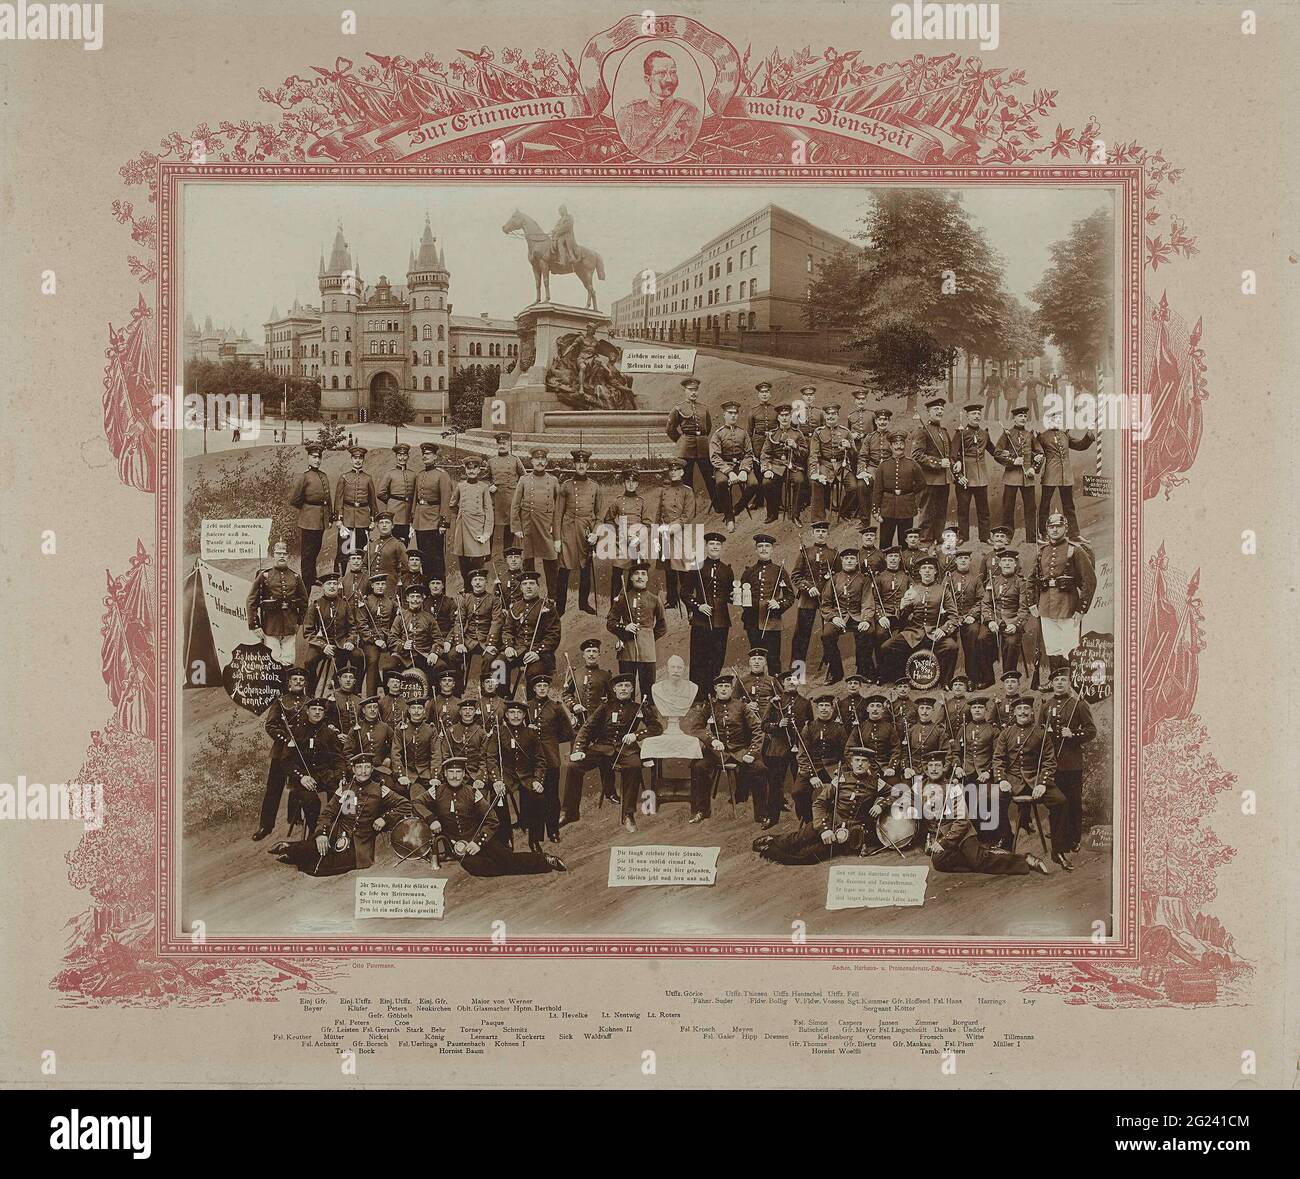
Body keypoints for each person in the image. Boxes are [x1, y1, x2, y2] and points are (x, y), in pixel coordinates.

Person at [409, 757, 566, 874]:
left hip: (482, 839)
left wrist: (477, 843)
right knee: (477, 868)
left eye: (458, 772)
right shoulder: (436, 791)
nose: (455, 776)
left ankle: (545, 860)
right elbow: (416, 803)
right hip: (458, 845)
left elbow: (492, 820)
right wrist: (431, 819)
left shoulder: (473, 792)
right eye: (451, 772)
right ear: (444, 773)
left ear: (464, 774)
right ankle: (525, 865)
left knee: (506, 859)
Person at [270, 751, 413, 876]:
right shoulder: (345, 789)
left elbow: (406, 805)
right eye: (359, 767)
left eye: (367, 767)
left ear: (371, 769)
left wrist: (384, 818)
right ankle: (289, 849)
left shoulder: (380, 789)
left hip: (360, 842)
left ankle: (295, 855)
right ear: (353, 769)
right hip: (339, 831)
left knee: (323, 867)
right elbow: (327, 814)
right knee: (317, 845)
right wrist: (322, 834)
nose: (363, 771)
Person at [753, 747, 887, 863]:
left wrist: (881, 804)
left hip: (849, 832)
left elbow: (900, 793)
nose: (860, 764)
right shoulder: (840, 779)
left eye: (864, 761)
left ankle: (770, 852)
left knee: (809, 854)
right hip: (829, 820)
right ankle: (772, 839)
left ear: (869, 764)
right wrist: (824, 829)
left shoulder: (876, 782)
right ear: (851, 762)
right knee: (799, 839)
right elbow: (820, 803)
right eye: (857, 760)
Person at [570, 673, 662, 834]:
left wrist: (636, 735)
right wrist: (579, 749)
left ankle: (628, 814)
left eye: (627, 686)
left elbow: (656, 727)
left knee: (634, 766)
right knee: (573, 766)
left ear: (632, 689)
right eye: (620, 686)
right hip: (602, 748)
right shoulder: (605, 707)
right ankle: (569, 811)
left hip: (626, 750)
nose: (624, 689)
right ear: (614, 689)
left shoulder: (638, 708)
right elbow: (587, 728)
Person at [924, 760, 1049, 876]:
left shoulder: (953, 788)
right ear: (926, 768)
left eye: (937, 765)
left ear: (944, 767)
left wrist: (944, 842)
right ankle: (983, 857)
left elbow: (962, 821)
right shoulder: (922, 787)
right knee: (938, 861)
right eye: (931, 766)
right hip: (945, 836)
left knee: (978, 861)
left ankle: (1024, 859)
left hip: (962, 834)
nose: (934, 769)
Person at [992, 694, 1066, 868]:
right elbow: (998, 759)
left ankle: (1059, 848)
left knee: (1061, 801)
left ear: (1031, 712)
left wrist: (1042, 783)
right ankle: (1006, 839)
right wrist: (1002, 779)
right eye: (1019, 709)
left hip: (1035, 781)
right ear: (1014, 712)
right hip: (1013, 781)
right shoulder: (1006, 733)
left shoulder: (1041, 733)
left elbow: (1049, 760)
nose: (1023, 712)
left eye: (1026, 709)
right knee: (993, 800)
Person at [1028, 512, 1097, 680]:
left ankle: (1071, 683)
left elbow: (1090, 580)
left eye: (1058, 526)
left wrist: (1082, 609)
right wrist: (1031, 603)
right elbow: (1031, 579)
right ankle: (1056, 683)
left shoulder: (1075, 550)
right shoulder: (1042, 551)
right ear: (1047, 530)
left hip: (1068, 605)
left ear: (1065, 528)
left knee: (1070, 648)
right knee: (1052, 647)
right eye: (1051, 527)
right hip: (1045, 606)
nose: (1054, 530)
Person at [1038, 665, 1096, 855]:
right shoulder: (1046, 706)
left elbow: (1091, 731)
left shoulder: (1077, 704)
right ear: (1052, 684)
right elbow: (1038, 732)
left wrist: (1073, 734)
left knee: (1073, 802)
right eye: (1056, 680)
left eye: (1063, 680)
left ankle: (1074, 839)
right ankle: (1059, 838)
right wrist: (1044, 734)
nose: (1059, 683)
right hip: (1051, 764)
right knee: (1056, 803)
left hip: (1071, 763)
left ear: (1068, 683)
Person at [878, 555, 959, 687]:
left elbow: (954, 616)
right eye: (924, 568)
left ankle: (945, 682)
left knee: (952, 647)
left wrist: (943, 630)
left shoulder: (943, 591)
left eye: (930, 568)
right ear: (920, 572)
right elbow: (902, 618)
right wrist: (902, 607)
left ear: (935, 572)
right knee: (887, 647)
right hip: (913, 632)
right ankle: (900, 679)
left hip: (934, 633)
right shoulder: (913, 590)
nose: (927, 571)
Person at [698, 675, 766, 825]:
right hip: (717, 752)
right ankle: (702, 810)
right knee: (699, 767)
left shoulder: (741, 706)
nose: (724, 689)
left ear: (731, 689)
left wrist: (751, 752)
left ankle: (761, 814)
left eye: (727, 686)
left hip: (740, 750)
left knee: (759, 768)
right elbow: (696, 727)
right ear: (715, 689)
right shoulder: (709, 706)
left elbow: (758, 729)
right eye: (720, 686)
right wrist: (712, 740)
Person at [616, 48, 703, 162]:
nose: (669, 79)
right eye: (661, 73)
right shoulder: (627, 114)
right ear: (647, 80)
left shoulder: (692, 113)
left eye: (673, 72)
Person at [492, 568, 561, 695]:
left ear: (538, 586)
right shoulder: (515, 607)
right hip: (517, 650)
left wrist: (537, 652)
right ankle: (503, 698)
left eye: (532, 583)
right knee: (499, 664)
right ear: (521, 588)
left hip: (539, 653)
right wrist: (508, 646)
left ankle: (531, 705)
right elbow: (507, 630)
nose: (528, 587)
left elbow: (553, 635)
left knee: (534, 672)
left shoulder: (547, 607)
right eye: (525, 584)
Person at [606, 560, 667, 699]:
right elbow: (610, 622)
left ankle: (648, 718)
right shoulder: (623, 598)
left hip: (648, 652)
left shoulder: (654, 599)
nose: (640, 576)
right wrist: (624, 628)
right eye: (636, 574)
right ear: (631, 577)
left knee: (648, 691)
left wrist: (649, 637)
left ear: (647, 577)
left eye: (643, 574)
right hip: (627, 650)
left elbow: (662, 626)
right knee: (627, 690)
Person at [525, 675, 574, 846]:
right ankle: (535, 837)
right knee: (535, 798)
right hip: (532, 761)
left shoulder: (556, 707)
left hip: (551, 758)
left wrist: (551, 740)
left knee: (552, 797)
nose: (542, 688)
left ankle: (553, 830)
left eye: (545, 686)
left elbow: (568, 732)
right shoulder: (527, 707)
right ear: (534, 688)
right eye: (539, 686)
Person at [681, 530, 733, 690]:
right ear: (706, 546)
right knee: (699, 660)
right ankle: (698, 696)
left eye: (718, 544)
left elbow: (730, 594)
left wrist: (736, 596)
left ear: (721, 547)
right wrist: (698, 606)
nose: (715, 547)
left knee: (717, 659)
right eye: (712, 544)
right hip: (701, 622)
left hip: (721, 622)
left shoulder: (727, 570)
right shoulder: (697, 567)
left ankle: (714, 693)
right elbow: (684, 593)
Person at [510, 446, 563, 598]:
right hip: (529, 526)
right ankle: (530, 596)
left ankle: (552, 597)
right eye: (537, 459)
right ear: (531, 461)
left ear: (546, 462)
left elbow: (557, 509)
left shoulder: (553, 481)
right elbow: (515, 505)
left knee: (551, 561)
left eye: (543, 459)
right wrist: (516, 527)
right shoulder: (524, 480)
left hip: (546, 527)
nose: (540, 462)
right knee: (528, 562)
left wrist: (556, 533)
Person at [247, 540, 308, 666]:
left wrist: (299, 622)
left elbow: (304, 601)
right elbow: (251, 601)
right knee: (272, 659)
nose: (281, 556)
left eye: (284, 553)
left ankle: (286, 685)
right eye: (278, 553)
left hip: (290, 624)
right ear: (273, 555)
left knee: (288, 659)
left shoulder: (295, 577)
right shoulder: (264, 576)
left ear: (288, 556)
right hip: (270, 625)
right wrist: (254, 624)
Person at [1035, 414, 1096, 540]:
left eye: (1059, 419)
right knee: (1045, 505)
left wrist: (1089, 432)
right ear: (1048, 421)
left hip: (1066, 476)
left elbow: (1080, 446)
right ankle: (1043, 533)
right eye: (1054, 419)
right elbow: (1036, 453)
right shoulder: (1042, 437)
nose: (1057, 421)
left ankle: (1074, 534)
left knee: (1069, 505)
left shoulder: (1065, 435)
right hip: (1050, 475)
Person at [790, 695, 848, 826]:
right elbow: (803, 754)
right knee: (798, 792)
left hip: (832, 768)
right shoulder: (809, 727)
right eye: (821, 706)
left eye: (827, 705)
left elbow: (845, 754)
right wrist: (811, 776)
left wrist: (840, 773)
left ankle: (834, 821)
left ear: (832, 709)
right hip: (812, 767)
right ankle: (810, 820)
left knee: (841, 792)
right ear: (817, 709)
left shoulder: (839, 728)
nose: (824, 709)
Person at [556, 448, 601, 614]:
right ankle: (560, 608)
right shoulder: (566, 486)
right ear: (574, 464)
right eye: (578, 462)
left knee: (585, 569)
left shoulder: (595, 487)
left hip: (586, 531)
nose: (581, 465)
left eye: (584, 463)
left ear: (588, 465)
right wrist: (557, 539)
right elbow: (558, 514)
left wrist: (595, 533)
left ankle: (583, 604)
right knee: (564, 569)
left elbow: (598, 515)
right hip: (568, 530)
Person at [739, 533, 794, 669]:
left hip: (772, 621)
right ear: (756, 550)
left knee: (773, 658)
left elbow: (790, 597)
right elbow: (740, 596)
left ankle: (774, 687)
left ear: (772, 549)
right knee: (756, 658)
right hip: (752, 621)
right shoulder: (748, 572)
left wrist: (779, 604)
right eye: (760, 546)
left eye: (767, 546)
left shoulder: (779, 571)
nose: (764, 549)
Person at [791, 522, 838, 674]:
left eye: (824, 531)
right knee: (801, 636)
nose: (821, 534)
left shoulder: (834, 554)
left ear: (828, 534)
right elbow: (796, 576)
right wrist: (808, 587)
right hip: (807, 599)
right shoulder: (805, 552)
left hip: (827, 600)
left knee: (829, 634)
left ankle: (831, 672)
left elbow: (839, 578)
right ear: (813, 534)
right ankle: (797, 673)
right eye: (818, 531)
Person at [303, 571, 363, 688]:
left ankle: (355, 691)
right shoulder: (315, 605)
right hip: (321, 644)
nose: (332, 586)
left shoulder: (344, 604)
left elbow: (353, 628)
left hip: (341, 643)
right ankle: (311, 690)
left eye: (334, 583)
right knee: (309, 661)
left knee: (358, 656)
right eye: (329, 584)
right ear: (323, 587)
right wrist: (323, 646)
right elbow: (308, 631)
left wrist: (350, 641)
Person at [287, 442, 332, 594]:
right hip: (308, 519)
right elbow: (295, 499)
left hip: (321, 519)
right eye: (314, 457)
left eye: (319, 457)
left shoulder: (323, 476)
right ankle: (306, 583)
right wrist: (307, 510)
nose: (317, 460)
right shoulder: (305, 477)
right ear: (308, 458)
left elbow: (328, 498)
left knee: (316, 549)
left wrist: (330, 516)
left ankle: (312, 577)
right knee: (307, 552)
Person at [601, 469, 651, 602]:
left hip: (637, 543)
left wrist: (638, 538)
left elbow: (648, 524)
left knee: (634, 576)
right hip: (621, 543)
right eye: (628, 481)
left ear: (637, 484)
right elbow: (608, 519)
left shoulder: (642, 502)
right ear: (624, 482)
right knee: (617, 575)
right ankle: (614, 608)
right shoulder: (618, 501)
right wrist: (619, 532)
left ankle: (630, 606)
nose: (630, 484)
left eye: (633, 481)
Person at [951, 402, 998, 542]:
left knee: (984, 510)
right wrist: (958, 476)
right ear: (967, 416)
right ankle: (963, 537)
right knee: (963, 510)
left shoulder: (984, 434)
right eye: (973, 414)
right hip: (965, 477)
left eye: (978, 414)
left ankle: (985, 537)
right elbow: (952, 457)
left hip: (981, 477)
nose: (976, 416)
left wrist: (1010, 458)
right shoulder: (960, 433)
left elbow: (995, 451)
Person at [872, 431, 927, 548]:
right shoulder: (883, 466)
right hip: (887, 508)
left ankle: (904, 565)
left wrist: (910, 494)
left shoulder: (912, 464)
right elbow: (877, 489)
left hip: (906, 508)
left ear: (905, 445)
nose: (899, 446)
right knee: (885, 543)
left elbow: (922, 483)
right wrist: (875, 510)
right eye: (895, 444)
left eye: (901, 443)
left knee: (905, 542)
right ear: (891, 446)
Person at [654, 458, 696, 609]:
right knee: (668, 568)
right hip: (665, 533)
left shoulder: (687, 491)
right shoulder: (664, 491)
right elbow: (659, 513)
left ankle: (687, 600)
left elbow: (688, 514)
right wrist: (658, 529)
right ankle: (672, 600)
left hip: (680, 534)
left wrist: (675, 526)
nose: (673, 473)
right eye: (671, 471)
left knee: (682, 568)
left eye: (676, 470)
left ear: (682, 472)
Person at [995, 406, 1041, 541]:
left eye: (1025, 416)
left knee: (1031, 508)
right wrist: (1013, 461)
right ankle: (1007, 535)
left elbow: (1040, 453)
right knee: (1008, 508)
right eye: (1020, 416)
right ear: (1014, 418)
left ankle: (1032, 537)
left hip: (1028, 477)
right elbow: (997, 453)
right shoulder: (1007, 434)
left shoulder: (1030, 435)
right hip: (1011, 477)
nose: (1023, 418)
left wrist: (1033, 468)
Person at [447, 453, 493, 589]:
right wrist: (461, 515)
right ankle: (467, 592)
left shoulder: (484, 487)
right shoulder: (461, 486)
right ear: (465, 469)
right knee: (464, 565)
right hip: (463, 530)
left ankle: (478, 594)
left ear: (479, 470)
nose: (471, 471)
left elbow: (489, 512)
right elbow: (452, 504)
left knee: (478, 566)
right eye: (469, 468)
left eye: (475, 468)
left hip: (478, 530)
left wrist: (486, 533)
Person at [666, 377, 714, 508]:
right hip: (686, 449)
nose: (694, 393)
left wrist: (701, 438)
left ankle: (718, 505)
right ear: (685, 391)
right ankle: (689, 507)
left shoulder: (703, 408)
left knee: (710, 476)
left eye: (696, 390)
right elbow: (670, 429)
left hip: (703, 447)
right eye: (690, 390)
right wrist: (682, 440)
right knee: (687, 480)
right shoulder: (678, 408)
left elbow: (708, 427)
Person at [709, 400, 757, 530]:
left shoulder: (743, 433)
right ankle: (729, 517)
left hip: (741, 464)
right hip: (723, 465)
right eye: (730, 413)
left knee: (753, 483)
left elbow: (749, 454)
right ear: (724, 415)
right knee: (721, 483)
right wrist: (729, 471)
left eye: (735, 413)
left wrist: (743, 470)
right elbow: (715, 457)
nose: (733, 416)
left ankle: (737, 508)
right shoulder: (718, 434)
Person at [412, 441, 454, 584]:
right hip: (420, 521)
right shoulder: (420, 474)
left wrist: (443, 522)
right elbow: (415, 498)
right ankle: (427, 590)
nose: (425, 456)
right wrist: (413, 518)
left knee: (436, 559)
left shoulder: (442, 475)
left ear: (435, 456)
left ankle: (439, 591)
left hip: (435, 521)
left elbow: (446, 499)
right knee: (424, 557)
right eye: (423, 453)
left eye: (428, 454)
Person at [758, 403, 805, 524]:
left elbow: (805, 453)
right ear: (778, 418)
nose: (784, 418)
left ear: (790, 417)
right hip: (776, 466)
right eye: (782, 415)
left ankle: (795, 514)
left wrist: (795, 446)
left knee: (800, 481)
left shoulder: (797, 434)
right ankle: (772, 513)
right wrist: (767, 469)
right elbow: (765, 454)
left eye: (787, 415)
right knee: (766, 482)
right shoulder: (772, 435)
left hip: (793, 466)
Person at [808, 403, 855, 520]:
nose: (831, 416)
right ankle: (818, 518)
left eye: (833, 414)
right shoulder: (818, 432)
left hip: (842, 465)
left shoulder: (846, 432)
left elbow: (855, 455)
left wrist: (849, 447)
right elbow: (813, 454)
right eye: (828, 414)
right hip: (825, 465)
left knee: (854, 487)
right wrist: (814, 472)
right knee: (816, 483)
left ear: (838, 416)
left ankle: (844, 512)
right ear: (824, 416)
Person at [334, 445, 377, 572]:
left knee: (361, 553)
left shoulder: (368, 478)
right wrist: (339, 520)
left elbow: (372, 501)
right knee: (343, 552)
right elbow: (339, 500)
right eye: (355, 458)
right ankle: (339, 582)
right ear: (351, 459)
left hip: (363, 520)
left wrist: (372, 519)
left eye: (360, 458)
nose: (358, 460)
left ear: (363, 460)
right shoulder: (344, 477)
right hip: (347, 520)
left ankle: (361, 582)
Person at [486, 434, 526, 556]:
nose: (502, 446)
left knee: (509, 526)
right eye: (500, 444)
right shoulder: (491, 461)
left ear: (508, 445)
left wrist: (518, 491)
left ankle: (508, 553)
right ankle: (487, 553)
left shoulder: (515, 460)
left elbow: (524, 477)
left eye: (504, 444)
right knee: (490, 525)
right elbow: (485, 478)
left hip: (511, 498)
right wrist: (489, 486)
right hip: (496, 498)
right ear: (497, 445)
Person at [377, 442, 417, 544]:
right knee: (393, 541)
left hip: (408, 515)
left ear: (408, 456)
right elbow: (381, 492)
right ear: (396, 456)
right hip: (394, 513)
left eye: (404, 455)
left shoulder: (412, 474)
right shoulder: (390, 473)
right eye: (399, 455)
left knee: (405, 543)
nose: (402, 458)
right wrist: (392, 501)